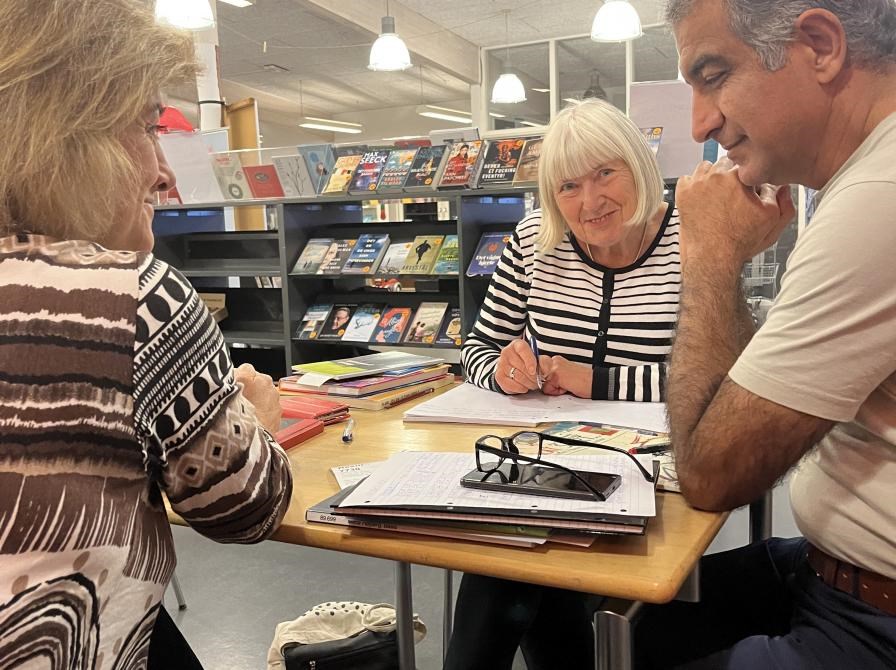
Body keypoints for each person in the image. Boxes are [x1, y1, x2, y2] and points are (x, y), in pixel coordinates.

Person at [0, 1, 293, 668]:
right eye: (143, 128)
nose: (164, 172)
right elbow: (246, 510)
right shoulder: (136, 295)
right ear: (69, 137)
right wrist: (261, 426)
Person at [633, 1, 896, 668]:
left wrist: (710, 254)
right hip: (829, 569)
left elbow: (713, 472)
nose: (699, 123)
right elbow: (746, 397)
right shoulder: (860, 182)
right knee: (623, 621)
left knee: (621, 636)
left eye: (713, 74)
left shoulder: (878, 199)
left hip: (872, 616)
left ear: (819, 45)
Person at [447, 98, 682, 670]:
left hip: (659, 478)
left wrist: (593, 380)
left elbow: (712, 383)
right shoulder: (533, 241)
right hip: (550, 464)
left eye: (606, 173)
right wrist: (504, 373)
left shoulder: (690, 237)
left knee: (514, 573)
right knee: (512, 561)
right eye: (568, 185)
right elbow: (473, 349)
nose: (589, 201)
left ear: (639, 167)